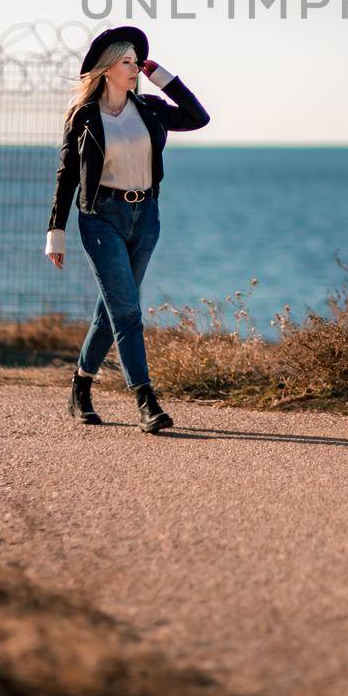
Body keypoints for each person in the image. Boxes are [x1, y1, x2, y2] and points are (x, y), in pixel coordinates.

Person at [44, 25, 210, 433]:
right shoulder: (83, 117)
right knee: (127, 310)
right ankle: (145, 399)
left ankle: (80, 388)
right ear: (106, 68)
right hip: (101, 217)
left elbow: (198, 117)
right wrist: (56, 231)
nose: (135, 67)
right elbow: (67, 175)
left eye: (138, 61)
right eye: (128, 61)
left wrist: (164, 76)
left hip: (146, 217)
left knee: (112, 309)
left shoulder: (149, 108)